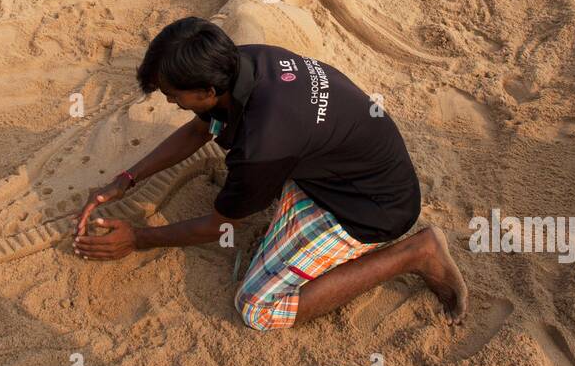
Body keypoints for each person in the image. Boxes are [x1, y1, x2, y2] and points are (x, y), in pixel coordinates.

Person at [73, 17, 469, 331]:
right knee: (249, 170)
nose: (172, 103)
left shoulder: (263, 145)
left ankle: (416, 253)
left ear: (209, 91)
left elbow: (219, 227)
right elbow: (203, 126)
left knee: (259, 308)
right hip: (348, 165)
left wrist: (138, 239)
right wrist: (126, 179)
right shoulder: (244, 60)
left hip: (371, 210)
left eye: (175, 96)